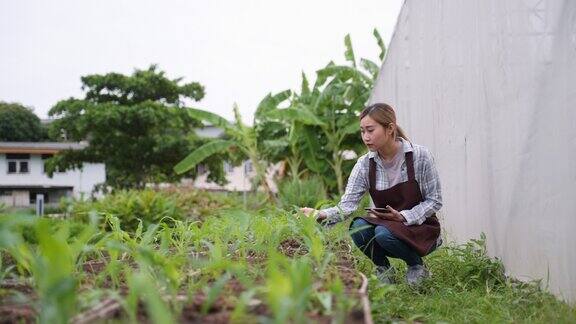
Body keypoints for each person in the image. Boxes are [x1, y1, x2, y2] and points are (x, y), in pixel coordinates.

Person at [300, 103, 442, 285]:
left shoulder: (420, 156)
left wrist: (404, 216)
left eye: (370, 130)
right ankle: (384, 269)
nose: (365, 137)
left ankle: (416, 266)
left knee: (383, 233)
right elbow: (347, 206)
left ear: (390, 128)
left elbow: (434, 200)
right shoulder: (364, 164)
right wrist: (320, 214)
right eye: (362, 131)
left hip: (420, 227)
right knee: (357, 226)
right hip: (389, 225)